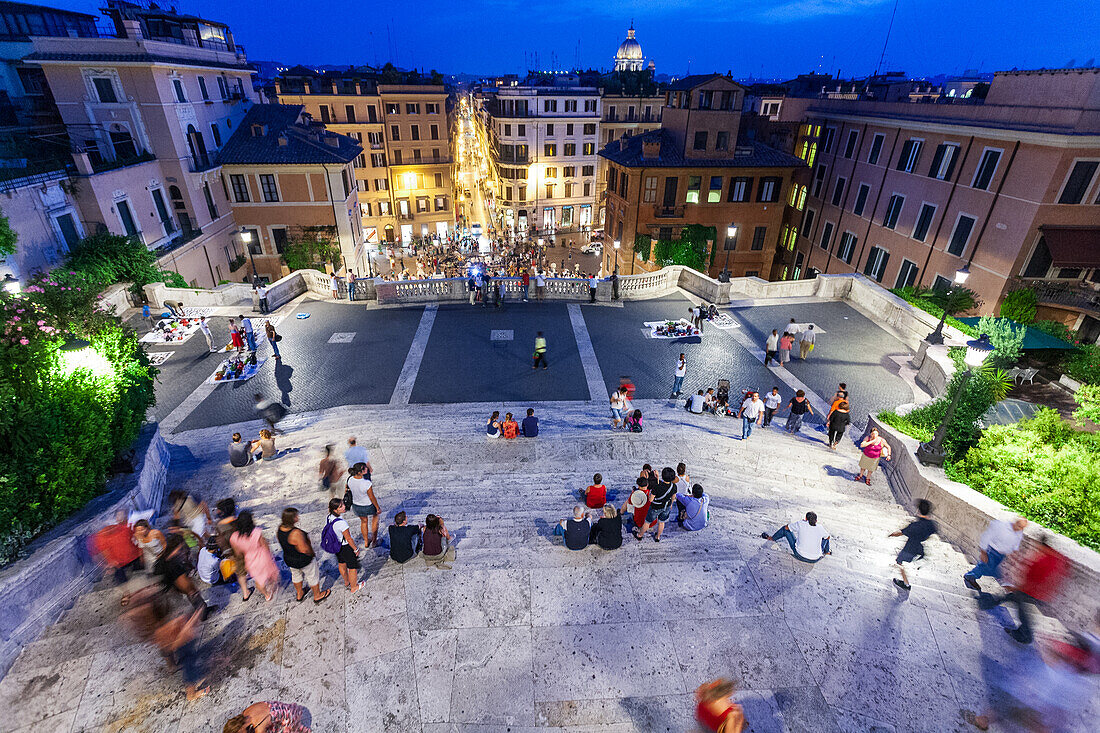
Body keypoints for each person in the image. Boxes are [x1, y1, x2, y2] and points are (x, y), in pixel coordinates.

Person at [978, 535, 1069, 644]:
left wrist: (1016, 587)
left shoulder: (1042, 562)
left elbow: (1033, 581)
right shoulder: (1058, 558)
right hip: (1046, 594)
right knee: (1011, 597)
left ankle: (1025, 635)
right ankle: (988, 602)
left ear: (1042, 545)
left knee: (1021, 608)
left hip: (1034, 592)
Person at [277, 508, 329, 604]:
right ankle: (317, 595)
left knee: (296, 575)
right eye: (296, 516)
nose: (298, 517)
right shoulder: (296, 533)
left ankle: (299, 593)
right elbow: (304, 549)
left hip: (290, 559)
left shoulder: (280, 529)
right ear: (291, 519)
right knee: (312, 576)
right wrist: (312, 554)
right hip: (302, 560)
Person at [964, 517, 1029, 592]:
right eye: (1019, 526)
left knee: (988, 568)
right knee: (985, 566)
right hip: (992, 551)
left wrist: (1014, 554)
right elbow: (986, 536)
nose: (1020, 529)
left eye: (1022, 528)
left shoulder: (1019, 532)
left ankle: (971, 576)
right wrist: (983, 552)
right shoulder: (1001, 526)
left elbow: (1015, 545)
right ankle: (970, 576)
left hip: (1002, 555)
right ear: (1016, 522)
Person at [889, 498, 937, 591]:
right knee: (906, 561)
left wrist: (891, 534)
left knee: (899, 561)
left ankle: (906, 584)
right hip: (920, 547)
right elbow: (930, 534)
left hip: (910, 547)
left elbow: (901, 532)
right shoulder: (931, 524)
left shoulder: (915, 526)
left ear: (919, 510)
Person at [230, 510, 278, 601]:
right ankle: (272, 585)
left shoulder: (234, 537)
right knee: (271, 572)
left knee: (259, 580)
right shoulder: (256, 532)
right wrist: (270, 555)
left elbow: (238, 553)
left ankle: (267, 595)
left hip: (250, 561)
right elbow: (264, 545)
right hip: (263, 557)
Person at [324, 497, 363, 592]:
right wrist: (355, 549)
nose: (344, 506)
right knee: (352, 567)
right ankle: (354, 587)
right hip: (345, 547)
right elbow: (349, 538)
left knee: (341, 563)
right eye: (341, 506)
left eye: (343, 504)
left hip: (336, 545)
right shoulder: (342, 524)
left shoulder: (329, 517)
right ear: (335, 510)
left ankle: (346, 582)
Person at [214, 498, 251, 599]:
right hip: (243, 549)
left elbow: (220, 540)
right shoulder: (237, 521)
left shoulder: (218, 525)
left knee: (240, 573)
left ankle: (245, 593)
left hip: (230, 553)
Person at [761, 512, 831, 562]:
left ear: (806, 518)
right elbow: (827, 537)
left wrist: (802, 523)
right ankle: (826, 552)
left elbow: (787, 528)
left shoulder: (801, 523)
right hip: (815, 559)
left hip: (799, 555)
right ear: (816, 521)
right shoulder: (820, 528)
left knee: (784, 529)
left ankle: (771, 538)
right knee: (826, 538)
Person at [635, 466, 676, 542]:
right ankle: (658, 537)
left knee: (647, 522)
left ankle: (640, 535)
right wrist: (671, 504)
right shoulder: (674, 486)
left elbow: (651, 499)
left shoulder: (657, 487)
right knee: (661, 522)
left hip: (656, 507)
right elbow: (673, 496)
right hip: (666, 506)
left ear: (663, 476)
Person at [346, 462, 380, 548]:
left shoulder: (350, 479)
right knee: (375, 518)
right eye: (364, 469)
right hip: (368, 505)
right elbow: (372, 497)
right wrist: (377, 507)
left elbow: (347, 489)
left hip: (356, 506)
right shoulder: (367, 483)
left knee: (364, 522)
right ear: (359, 472)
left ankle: (366, 541)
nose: (366, 469)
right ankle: (374, 541)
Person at [223, 701, 312, 733]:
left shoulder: (259, 728)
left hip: (291, 716)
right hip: (286, 707)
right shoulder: (245, 712)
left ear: (240, 730)